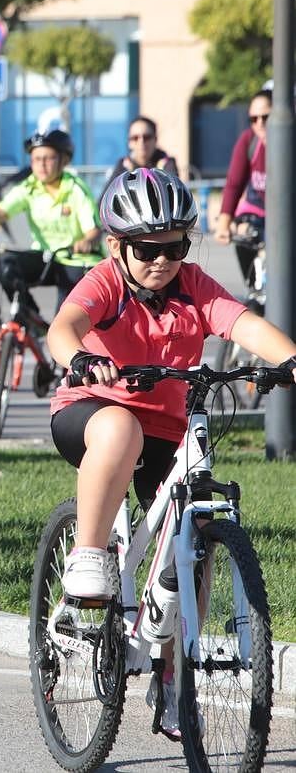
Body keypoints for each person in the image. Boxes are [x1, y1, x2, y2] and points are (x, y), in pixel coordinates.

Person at [45, 168, 296, 738]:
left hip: (164, 426)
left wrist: (290, 360)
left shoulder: (195, 286)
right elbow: (65, 326)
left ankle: (173, 677)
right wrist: (79, 358)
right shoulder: (105, 281)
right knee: (120, 429)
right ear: (116, 246)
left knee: (195, 527)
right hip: (91, 411)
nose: (162, 260)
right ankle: (88, 553)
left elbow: (246, 325)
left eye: (176, 247)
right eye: (146, 249)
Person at [0, 129, 103, 311]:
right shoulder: (29, 187)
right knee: (7, 265)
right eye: (36, 159)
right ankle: (30, 321)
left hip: (75, 259)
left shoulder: (76, 188)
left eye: (48, 158)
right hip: (45, 256)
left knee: (64, 317)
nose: (42, 165)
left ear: (64, 161)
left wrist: (87, 241)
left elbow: (94, 230)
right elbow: (1, 211)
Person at [216, 88, 272, 289]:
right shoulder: (249, 140)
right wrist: (224, 223)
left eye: (266, 117)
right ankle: (254, 290)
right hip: (258, 212)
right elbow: (234, 183)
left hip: (286, 217)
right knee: (245, 236)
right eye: (253, 118)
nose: (260, 123)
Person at [104, 115, 178, 183]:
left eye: (147, 137)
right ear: (129, 142)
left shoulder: (167, 163)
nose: (141, 142)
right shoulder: (123, 164)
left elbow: (175, 191)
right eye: (135, 138)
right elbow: (106, 195)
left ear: (155, 140)